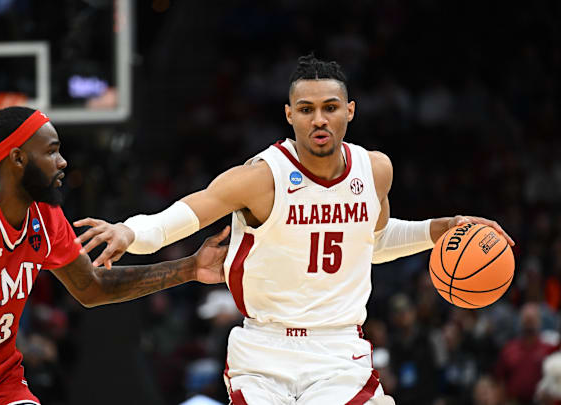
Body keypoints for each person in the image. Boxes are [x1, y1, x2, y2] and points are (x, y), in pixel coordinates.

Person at [74, 54, 515, 405]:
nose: (318, 119)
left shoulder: (375, 169)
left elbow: (374, 243)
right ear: (289, 115)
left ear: (350, 111)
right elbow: (191, 210)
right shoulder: (262, 176)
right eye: (306, 110)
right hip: (265, 349)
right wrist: (132, 232)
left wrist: (439, 229)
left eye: (329, 108)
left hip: (339, 350)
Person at [0, 106, 230, 405]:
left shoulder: (44, 216)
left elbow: (91, 287)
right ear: (17, 158)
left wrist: (190, 268)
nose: (63, 162)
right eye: (51, 151)